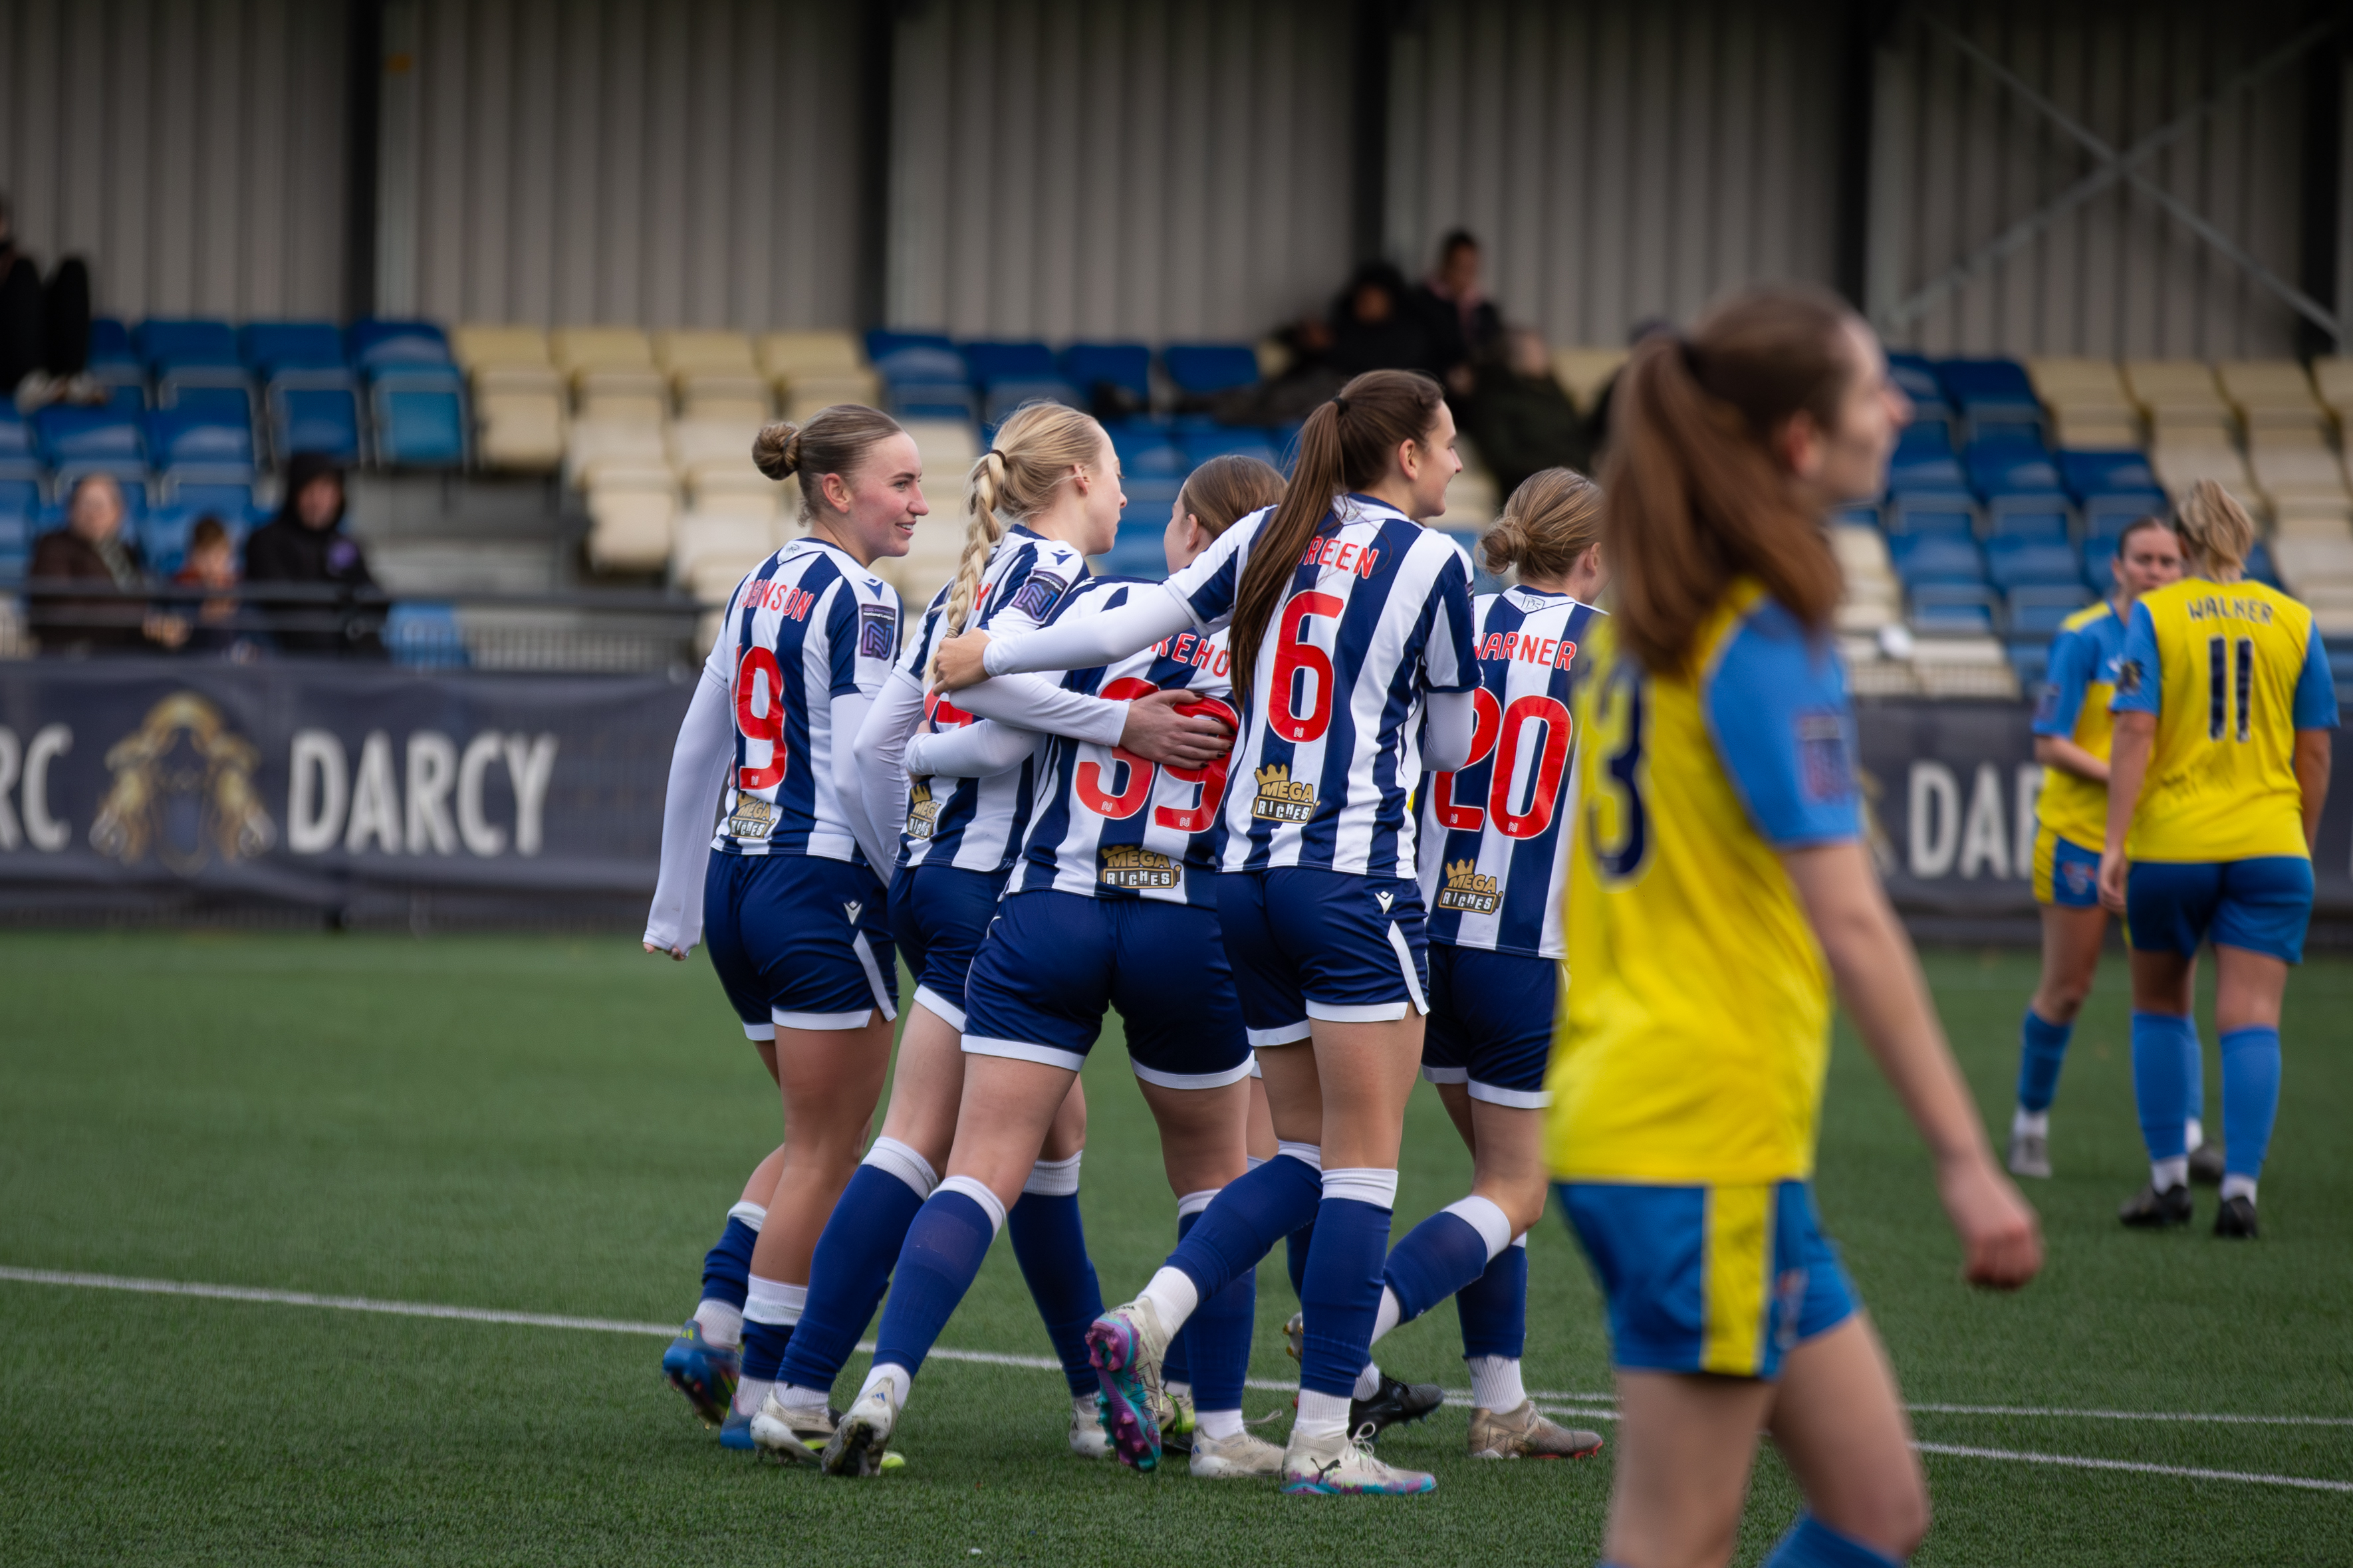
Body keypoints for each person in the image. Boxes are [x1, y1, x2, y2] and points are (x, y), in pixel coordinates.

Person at [1549, 286, 2041, 1568]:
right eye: (1869, 388)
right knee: (1672, 1539)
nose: (1896, 409)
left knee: (1875, 1509)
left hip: (1684, 1129)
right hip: (1691, 1134)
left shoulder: (1653, 627)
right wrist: (1961, 1157)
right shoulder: (1758, 624)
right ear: (1794, 440)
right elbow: (1852, 920)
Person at [935, 366, 1484, 1497]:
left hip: (1243, 881)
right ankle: (1326, 1433)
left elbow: (1137, 611)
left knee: (1298, 1153)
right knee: (1363, 1168)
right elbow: (1444, 748)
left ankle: (1153, 1311)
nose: (1460, 461)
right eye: (1447, 441)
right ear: (1411, 457)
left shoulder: (1276, 529)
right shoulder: (1435, 561)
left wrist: (990, 653)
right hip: (1351, 876)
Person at [742, 402, 1233, 1466]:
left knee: (1043, 1150)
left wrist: (895, 866)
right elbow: (999, 725)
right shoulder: (1058, 584)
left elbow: (879, 746)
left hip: (933, 884)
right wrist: (1123, 723)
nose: (1124, 499)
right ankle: (804, 1384)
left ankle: (1080, 1400)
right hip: (1000, 898)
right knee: (926, 1146)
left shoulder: (973, 575)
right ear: (1074, 481)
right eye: (1111, 477)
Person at [1289, 467, 1610, 1464]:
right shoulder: (1609, 650)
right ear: (1594, 557)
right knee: (1516, 1187)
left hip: (1422, 938)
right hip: (1523, 947)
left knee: (1491, 1187)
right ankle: (1357, 1323)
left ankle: (1501, 1406)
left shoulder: (1454, 608)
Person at [643, 405, 926, 1444]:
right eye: (900, 481)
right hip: (818, 888)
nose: (920, 502)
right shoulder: (865, 596)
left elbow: (694, 745)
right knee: (829, 1147)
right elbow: (863, 763)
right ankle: (766, 1395)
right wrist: (909, 882)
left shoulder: (759, 579)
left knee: (816, 1136)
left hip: (736, 880)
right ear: (837, 489)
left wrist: (675, 900)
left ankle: (718, 1322)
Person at [2098, 479, 2336, 1240]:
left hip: (2172, 844)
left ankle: (2168, 1182)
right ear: (2245, 537)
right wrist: (2299, 837)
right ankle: (2239, 1191)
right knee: (2252, 1017)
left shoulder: (2154, 614)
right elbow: (2317, 749)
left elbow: (2132, 732)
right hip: (2269, 843)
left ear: (2184, 542)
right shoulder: (2295, 620)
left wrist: (2111, 842)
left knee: (2160, 1007)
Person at [2009, 518, 2197, 1180]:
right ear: (2116, 567)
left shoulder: (2185, 638)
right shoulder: (2082, 636)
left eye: (2167, 561)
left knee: (2174, 991)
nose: (2154, 571)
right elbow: (2047, 742)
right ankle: (2028, 1122)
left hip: (2163, 840)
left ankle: (2188, 1136)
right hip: (2080, 838)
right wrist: (2123, 774)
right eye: (2142, 559)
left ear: (2183, 571)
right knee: (2066, 989)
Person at [242, 453, 384, 657]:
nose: (318, 501)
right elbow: (280, 600)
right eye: (310, 490)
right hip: (293, 660)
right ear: (293, 494)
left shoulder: (346, 544)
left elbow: (374, 597)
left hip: (351, 660)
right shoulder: (265, 541)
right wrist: (341, 602)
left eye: (327, 490)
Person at [28, 475, 187, 654]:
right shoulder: (53, 548)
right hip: (76, 658)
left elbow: (141, 600)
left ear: (118, 511)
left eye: (101, 504)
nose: (94, 513)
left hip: (125, 654)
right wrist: (138, 620)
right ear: (70, 510)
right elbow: (62, 608)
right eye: (86, 504)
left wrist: (161, 628)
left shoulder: (125, 552)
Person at [1463, 328, 1592, 497]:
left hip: (1573, 479)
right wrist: (1554, 469)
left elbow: (1578, 437)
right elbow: (1503, 458)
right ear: (1513, 356)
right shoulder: (1497, 399)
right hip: (1528, 488)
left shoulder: (1554, 393)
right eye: (1535, 350)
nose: (1544, 356)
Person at [0, 191, 95, 408]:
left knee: (74, 269)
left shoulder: (12, 259)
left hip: (43, 360)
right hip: (10, 370)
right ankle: (30, 380)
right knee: (23, 270)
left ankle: (70, 379)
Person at [1410, 229, 1503, 397]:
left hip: (1478, 393)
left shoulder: (1485, 309)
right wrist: (1447, 375)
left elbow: (1494, 350)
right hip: (1432, 389)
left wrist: (1474, 374)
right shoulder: (1419, 303)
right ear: (1445, 264)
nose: (1466, 276)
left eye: (1471, 269)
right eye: (1460, 267)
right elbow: (1415, 354)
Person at [170, 514, 267, 660]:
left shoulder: (243, 593)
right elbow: (176, 650)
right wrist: (201, 621)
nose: (211, 565)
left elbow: (265, 644)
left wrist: (252, 653)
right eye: (204, 555)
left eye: (218, 555)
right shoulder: (179, 593)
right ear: (192, 557)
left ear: (229, 554)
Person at [1328, 262, 1435, 381]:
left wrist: (1333, 347)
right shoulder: (1346, 326)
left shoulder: (1408, 337)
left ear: (1390, 300)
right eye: (1361, 296)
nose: (1363, 303)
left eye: (1371, 298)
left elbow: (1380, 371)